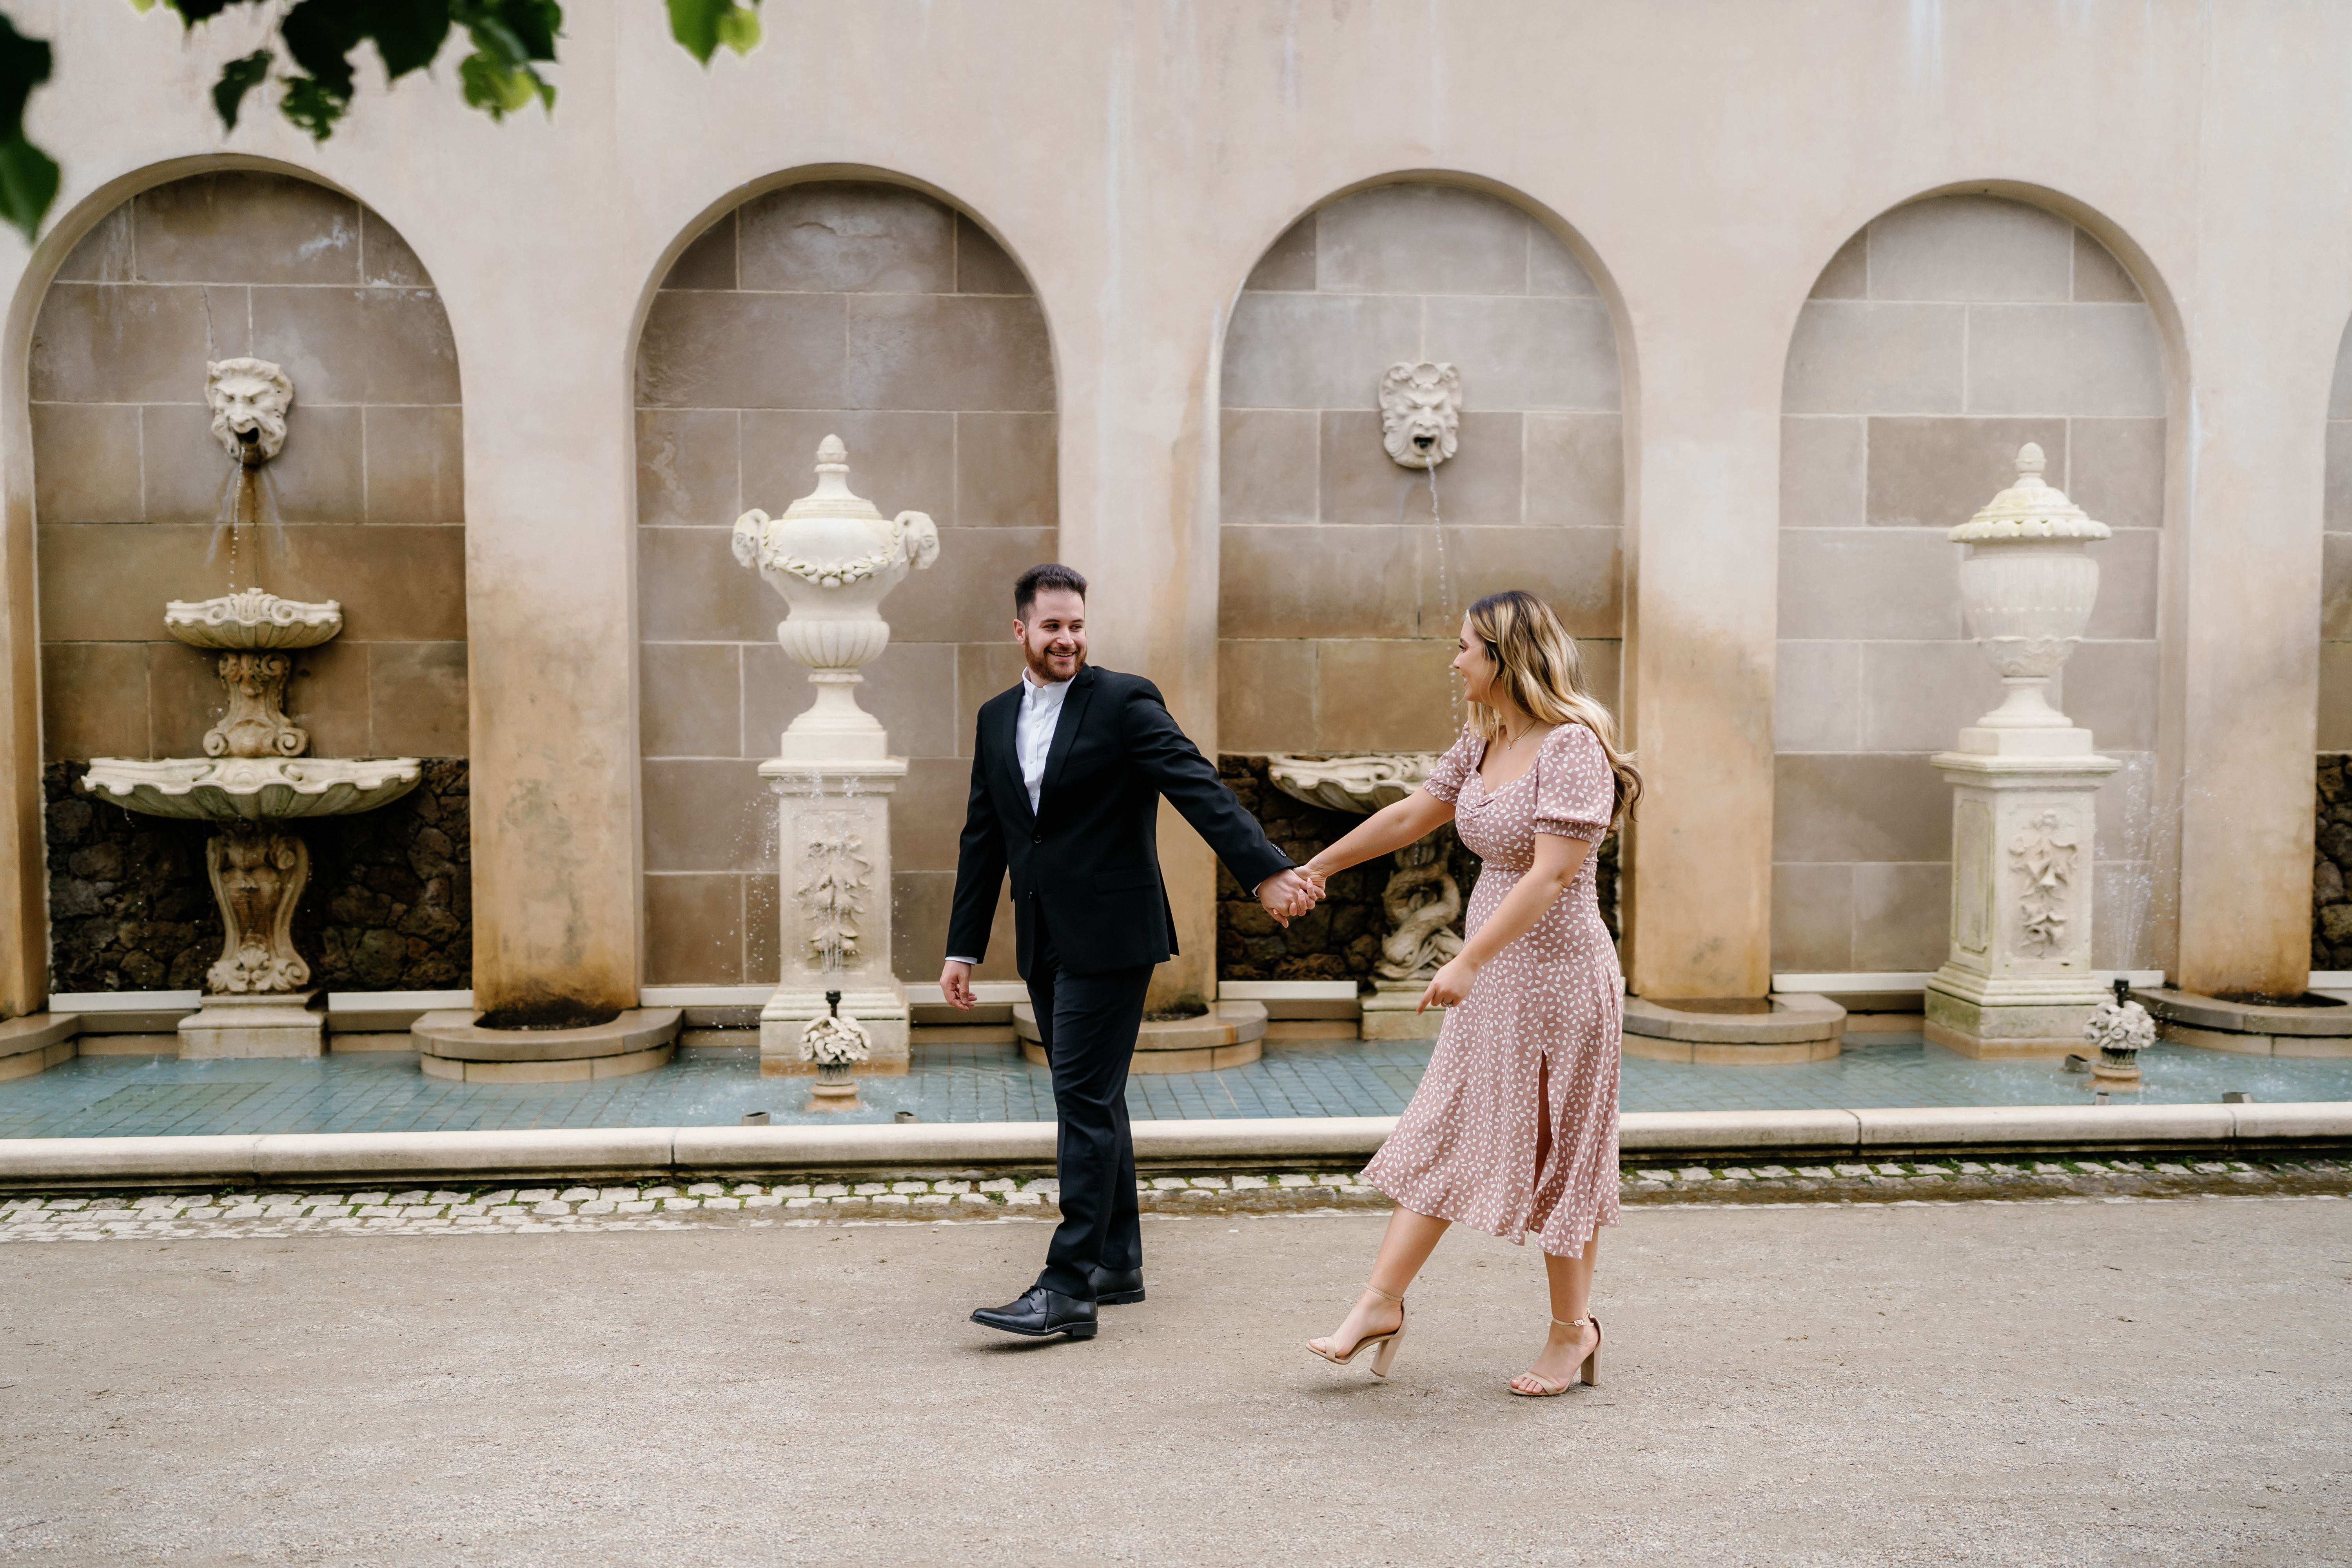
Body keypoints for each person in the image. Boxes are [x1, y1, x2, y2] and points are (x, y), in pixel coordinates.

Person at [943, 562, 1321, 1342]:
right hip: (1045, 935)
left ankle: (1066, 1284)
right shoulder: (993, 718)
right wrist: (963, 948)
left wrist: (1267, 871)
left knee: (1082, 1099)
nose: (1068, 638)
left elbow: (1197, 786)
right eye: (1053, 626)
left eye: (1077, 624)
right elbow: (986, 838)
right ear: (1021, 630)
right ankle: (1116, 1260)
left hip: (1112, 936)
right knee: (1095, 1098)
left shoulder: (1123, 700)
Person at [1296, 589, 1641, 1395]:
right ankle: (1379, 1303)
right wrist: (1318, 865)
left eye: (1465, 648)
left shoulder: (1573, 747)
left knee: (1562, 1155)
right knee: (1446, 1126)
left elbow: (1554, 874)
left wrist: (1471, 957)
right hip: (1494, 980)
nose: (1454, 661)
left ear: (1503, 657)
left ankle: (1571, 1332)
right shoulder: (1485, 734)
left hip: (1559, 983)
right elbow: (1414, 813)